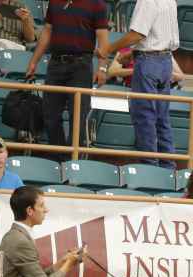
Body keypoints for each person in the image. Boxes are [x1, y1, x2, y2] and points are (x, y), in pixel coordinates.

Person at [97, 0, 179, 169]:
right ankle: (168, 168)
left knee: (145, 117)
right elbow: (156, 35)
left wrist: (108, 49)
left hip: (149, 62)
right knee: (162, 118)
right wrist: (133, 53)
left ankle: (149, 168)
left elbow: (137, 35)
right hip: (165, 60)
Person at [26, 0, 109, 148]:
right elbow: (47, 31)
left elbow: (103, 38)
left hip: (81, 65)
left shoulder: (97, 4)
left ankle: (73, 158)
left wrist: (102, 68)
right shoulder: (54, 1)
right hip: (56, 62)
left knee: (78, 116)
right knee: (50, 114)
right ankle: (58, 156)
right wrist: (34, 61)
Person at [103, 47, 184, 88]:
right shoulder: (126, 50)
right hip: (132, 89)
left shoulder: (164, 51)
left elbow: (180, 76)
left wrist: (158, 72)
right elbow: (112, 71)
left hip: (156, 90)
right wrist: (137, 70)